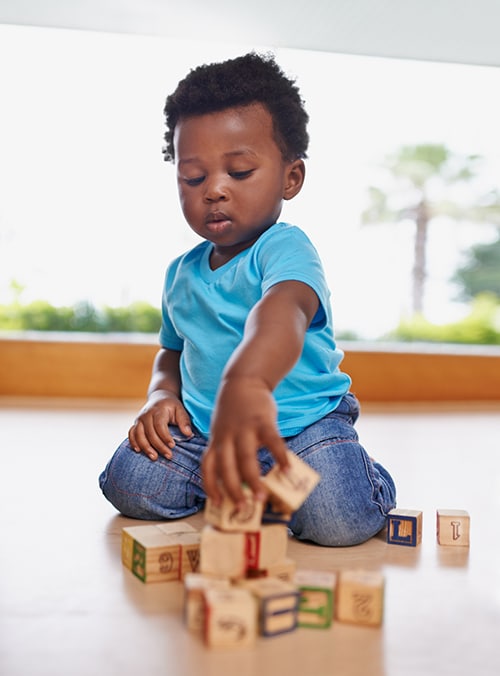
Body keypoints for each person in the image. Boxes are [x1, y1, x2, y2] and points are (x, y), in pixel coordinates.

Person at [99, 52, 396, 546]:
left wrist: (249, 379)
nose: (214, 190)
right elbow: (171, 351)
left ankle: (367, 481)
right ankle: (246, 487)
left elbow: (284, 309)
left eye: (238, 171)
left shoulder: (285, 248)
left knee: (339, 521)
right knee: (129, 483)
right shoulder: (181, 273)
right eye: (193, 178)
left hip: (302, 429)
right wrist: (161, 395)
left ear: (290, 178)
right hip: (208, 431)